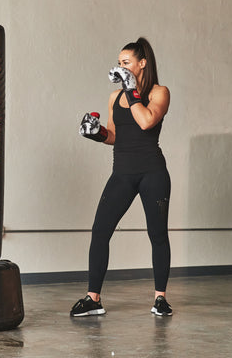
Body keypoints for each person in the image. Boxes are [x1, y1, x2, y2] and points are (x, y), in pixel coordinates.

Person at [71, 37, 172, 317]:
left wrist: (131, 89)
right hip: (122, 173)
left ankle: (160, 299)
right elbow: (114, 136)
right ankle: (93, 299)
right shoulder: (115, 97)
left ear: (142, 64)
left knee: (157, 234)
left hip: (153, 172)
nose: (120, 68)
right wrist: (97, 133)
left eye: (126, 63)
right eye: (119, 64)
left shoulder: (159, 92)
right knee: (100, 231)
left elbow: (146, 121)